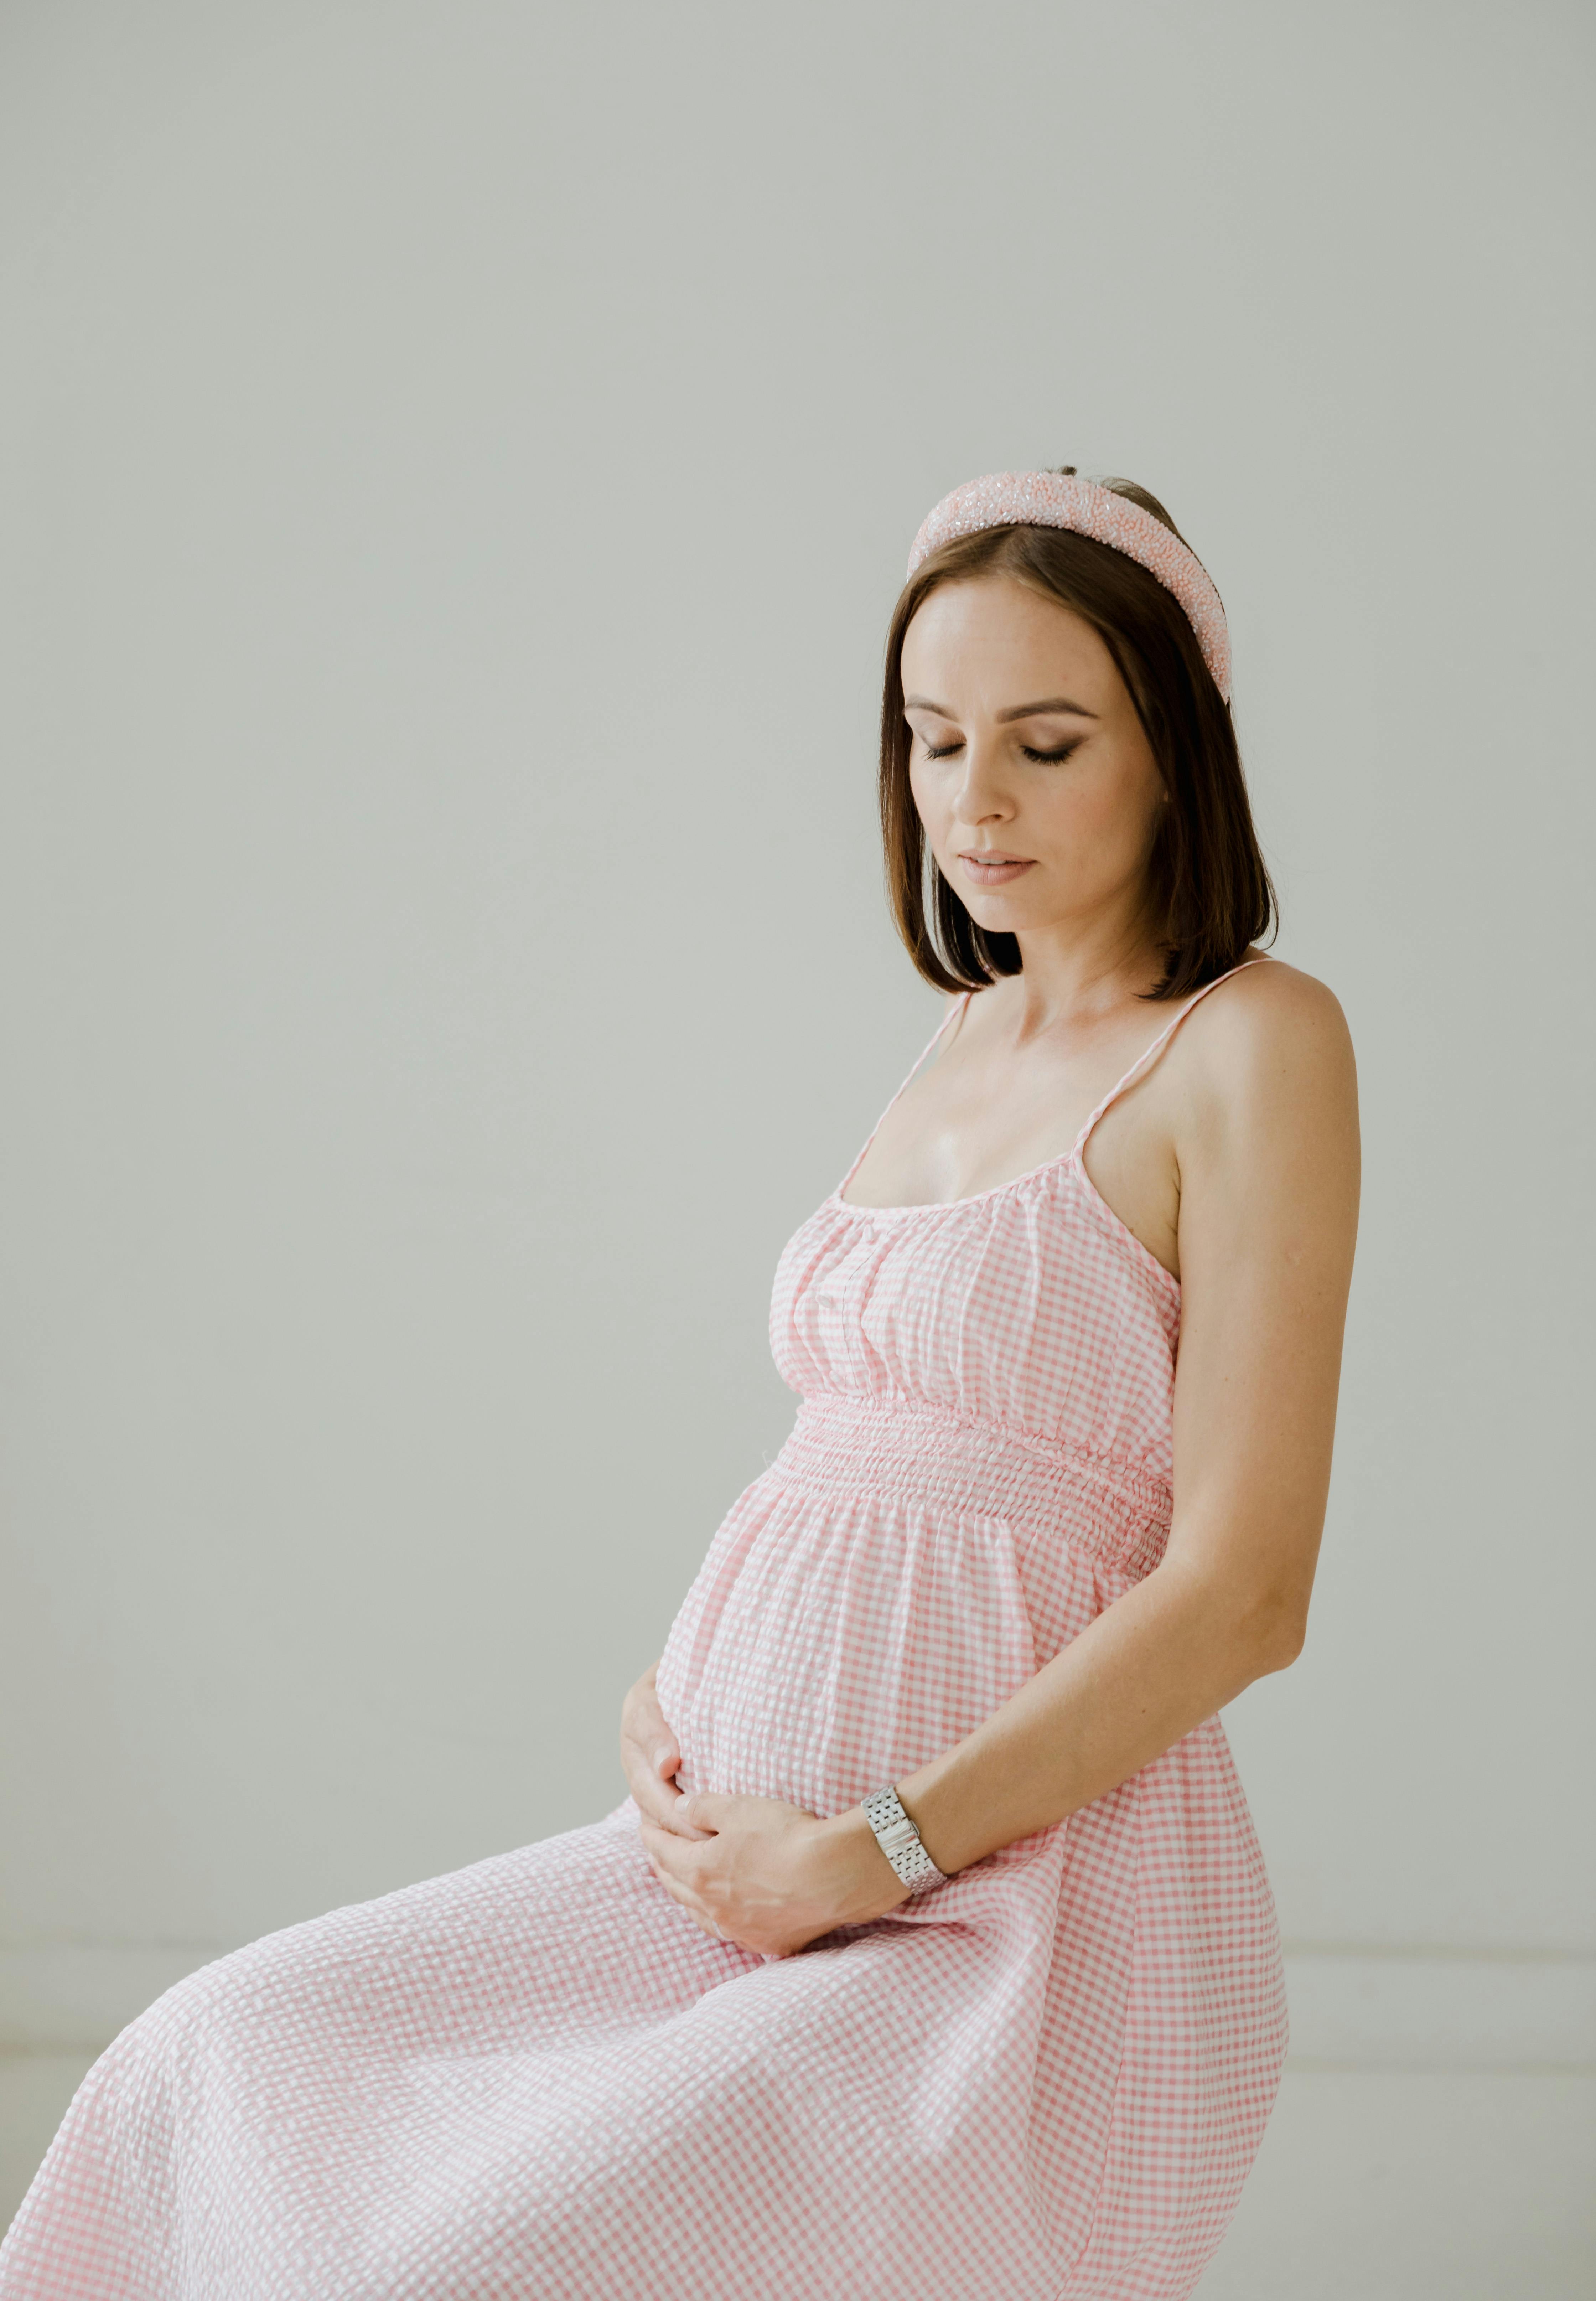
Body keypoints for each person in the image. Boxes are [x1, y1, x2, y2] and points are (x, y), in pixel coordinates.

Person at [0, 469, 1359, 2301]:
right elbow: (874, 1460)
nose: (972, 799)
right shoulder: (955, 1043)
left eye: (1044, 742)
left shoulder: (1252, 1044)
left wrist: (870, 1851)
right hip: (723, 1874)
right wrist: (684, 1686)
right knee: (212, 2057)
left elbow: (1244, 1592)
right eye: (932, 738)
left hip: (1004, 1912)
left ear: (1176, 752)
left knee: (466, 2262)